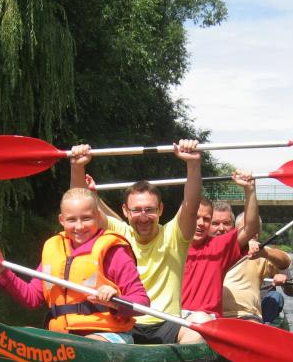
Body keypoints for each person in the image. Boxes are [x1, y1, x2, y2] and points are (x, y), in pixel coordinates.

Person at [69, 141, 203, 344]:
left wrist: (193, 163)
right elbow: (81, 205)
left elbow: (191, 206)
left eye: (149, 210)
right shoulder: (119, 233)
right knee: (92, 341)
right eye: (136, 210)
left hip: (168, 324)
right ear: (125, 211)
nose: (143, 217)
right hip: (126, 323)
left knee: (201, 321)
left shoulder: (174, 234)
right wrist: (77, 166)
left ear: (160, 210)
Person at [0, 187, 149, 343]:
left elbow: (142, 303)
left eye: (86, 218)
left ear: (98, 216)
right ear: (62, 220)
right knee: (20, 335)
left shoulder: (114, 251)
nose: (79, 226)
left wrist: (116, 301)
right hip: (64, 338)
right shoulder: (53, 249)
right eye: (71, 220)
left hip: (108, 335)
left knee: (83, 344)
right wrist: (2, 273)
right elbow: (31, 298)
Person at [180, 171, 260, 319]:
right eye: (196, 217)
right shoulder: (170, 242)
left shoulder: (219, 247)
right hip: (174, 318)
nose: (200, 223)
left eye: (206, 219)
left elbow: (251, 228)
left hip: (206, 319)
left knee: (199, 318)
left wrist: (249, 190)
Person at [222, 212, 293, 323]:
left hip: (248, 314)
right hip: (217, 314)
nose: (251, 233)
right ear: (235, 231)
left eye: (255, 230)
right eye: (246, 229)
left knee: (275, 296)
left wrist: (264, 253)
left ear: (259, 233)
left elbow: (291, 290)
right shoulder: (219, 247)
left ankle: (266, 324)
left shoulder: (263, 252)